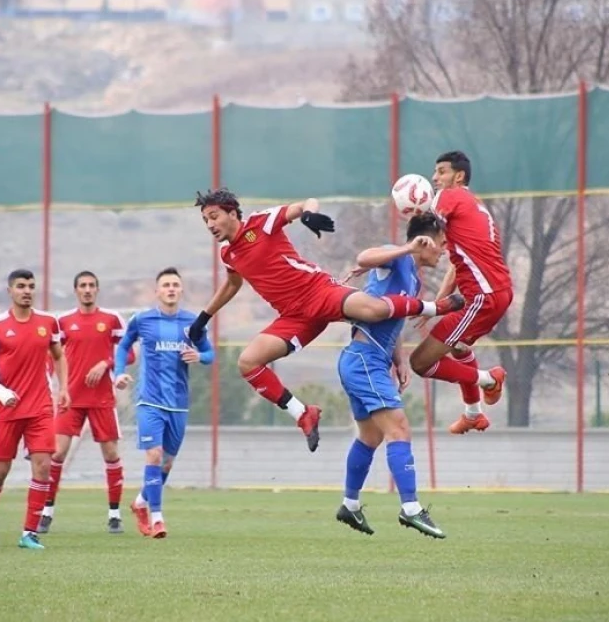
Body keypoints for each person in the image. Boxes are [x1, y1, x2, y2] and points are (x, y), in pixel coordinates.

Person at [186, 188, 465, 453]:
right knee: (247, 362)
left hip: (317, 291)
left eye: (214, 216)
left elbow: (306, 203)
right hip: (294, 317)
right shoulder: (228, 254)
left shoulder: (261, 223)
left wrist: (308, 215)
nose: (209, 224)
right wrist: (203, 318)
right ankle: (303, 413)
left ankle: (434, 307)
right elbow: (232, 284)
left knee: (375, 310)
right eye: (205, 220)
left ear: (232, 213)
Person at [336, 213, 448, 539]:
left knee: (371, 437)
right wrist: (406, 247)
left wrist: (398, 358)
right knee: (399, 429)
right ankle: (411, 509)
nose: (442, 251)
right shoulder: (397, 259)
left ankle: (350, 505)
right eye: (440, 244)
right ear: (424, 240)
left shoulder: (411, 276)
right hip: (364, 361)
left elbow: (392, 317)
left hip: (367, 361)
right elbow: (364, 258)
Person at [408, 150, 514, 435]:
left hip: (483, 297)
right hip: (497, 293)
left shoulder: (449, 197)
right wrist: (439, 303)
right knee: (459, 347)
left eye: (441, 171)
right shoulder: (475, 206)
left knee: (419, 362)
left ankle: (489, 379)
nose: (434, 178)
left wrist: (413, 214)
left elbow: (427, 231)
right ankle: (473, 413)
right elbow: (458, 264)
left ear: (459, 176)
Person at [114, 267, 214, 538]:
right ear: (157, 291)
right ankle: (157, 518)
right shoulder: (143, 319)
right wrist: (119, 372)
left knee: (166, 464)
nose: (171, 289)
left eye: (175, 285)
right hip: (149, 401)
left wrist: (199, 356)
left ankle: (140, 503)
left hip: (179, 404)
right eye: (166, 285)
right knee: (154, 455)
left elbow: (210, 353)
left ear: (181, 290)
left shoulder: (192, 323)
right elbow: (123, 346)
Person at [0, 269, 69, 551]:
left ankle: (30, 533)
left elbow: (59, 355)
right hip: (7, 410)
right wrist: (0, 390)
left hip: (40, 408)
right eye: (20, 286)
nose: (27, 290)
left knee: (44, 467)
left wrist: (63, 387)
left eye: (30, 286)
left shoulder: (48, 322)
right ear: (10, 291)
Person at [39, 271, 137, 535]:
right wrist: (48, 384)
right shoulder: (63, 322)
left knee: (111, 455)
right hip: (70, 399)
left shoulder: (111, 319)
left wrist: (106, 363)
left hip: (102, 398)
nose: (87, 289)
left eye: (92, 285)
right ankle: (46, 512)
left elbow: (129, 352)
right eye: (82, 285)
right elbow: (52, 357)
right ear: (76, 290)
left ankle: (114, 515)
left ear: (97, 290)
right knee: (56, 454)